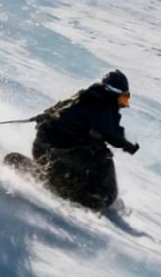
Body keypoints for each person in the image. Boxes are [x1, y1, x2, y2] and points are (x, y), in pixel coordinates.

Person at [31, 69, 139, 210]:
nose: (124, 102)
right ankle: (94, 197)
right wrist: (128, 146)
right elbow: (110, 134)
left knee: (94, 148)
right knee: (102, 158)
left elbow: (54, 111)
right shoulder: (100, 106)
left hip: (46, 146)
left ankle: (57, 178)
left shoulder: (86, 96)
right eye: (123, 97)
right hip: (53, 148)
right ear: (113, 93)